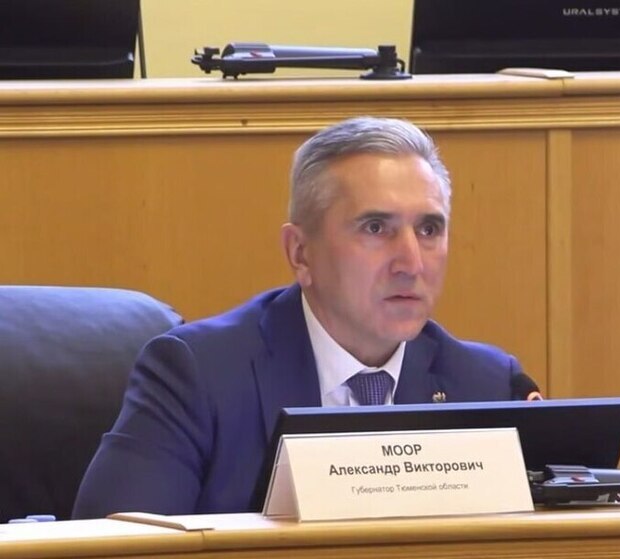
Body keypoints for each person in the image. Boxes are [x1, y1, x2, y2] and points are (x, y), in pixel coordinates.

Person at [72, 116, 523, 519]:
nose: (411, 262)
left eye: (428, 229)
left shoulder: (487, 387)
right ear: (301, 253)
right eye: (375, 228)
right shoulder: (198, 377)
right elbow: (111, 546)